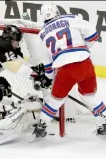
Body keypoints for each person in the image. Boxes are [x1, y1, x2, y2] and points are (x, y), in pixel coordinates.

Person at [31, 3, 106, 139]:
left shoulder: (42, 34)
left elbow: (48, 63)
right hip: (85, 64)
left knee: (55, 101)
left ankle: (41, 127)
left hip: (65, 70)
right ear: (57, 11)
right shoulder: (72, 18)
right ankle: (104, 120)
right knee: (88, 96)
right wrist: (83, 48)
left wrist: (49, 78)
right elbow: (93, 36)